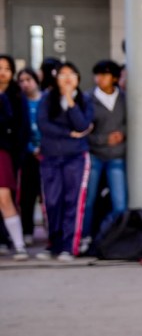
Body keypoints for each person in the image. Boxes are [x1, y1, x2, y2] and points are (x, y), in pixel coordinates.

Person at [37, 62, 95, 261]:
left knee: (73, 201)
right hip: (50, 157)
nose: (67, 77)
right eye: (62, 74)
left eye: (72, 73)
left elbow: (83, 124)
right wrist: (69, 133)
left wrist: (70, 101)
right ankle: (53, 243)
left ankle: (69, 247)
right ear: (56, 78)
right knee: (52, 202)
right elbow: (43, 125)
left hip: (76, 157)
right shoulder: (47, 98)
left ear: (78, 78)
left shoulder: (84, 100)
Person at [83, 60, 128, 246]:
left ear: (115, 78)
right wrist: (103, 139)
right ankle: (85, 237)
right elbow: (83, 130)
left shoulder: (124, 98)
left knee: (120, 203)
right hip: (94, 155)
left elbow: (131, 122)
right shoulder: (87, 99)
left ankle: (112, 236)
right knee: (88, 201)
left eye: (105, 74)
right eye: (98, 74)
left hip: (117, 155)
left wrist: (122, 134)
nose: (100, 78)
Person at [0, 55, 31, 259]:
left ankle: (19, 244)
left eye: (6, 68)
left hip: (5, 152)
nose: (2, 72)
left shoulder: (16, 97)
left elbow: (22, 129)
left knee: (4, 197)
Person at [16, 68, 44, 245]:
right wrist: (30, 148)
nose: (25, 84)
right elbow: (18, 130)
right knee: (27, 195)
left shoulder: (47, 100)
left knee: (48, 195)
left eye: (29, 79)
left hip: (48, 153)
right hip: (27, 154)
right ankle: (27, 230)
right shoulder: (18, 102)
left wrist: (43, 147)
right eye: (21, 80)